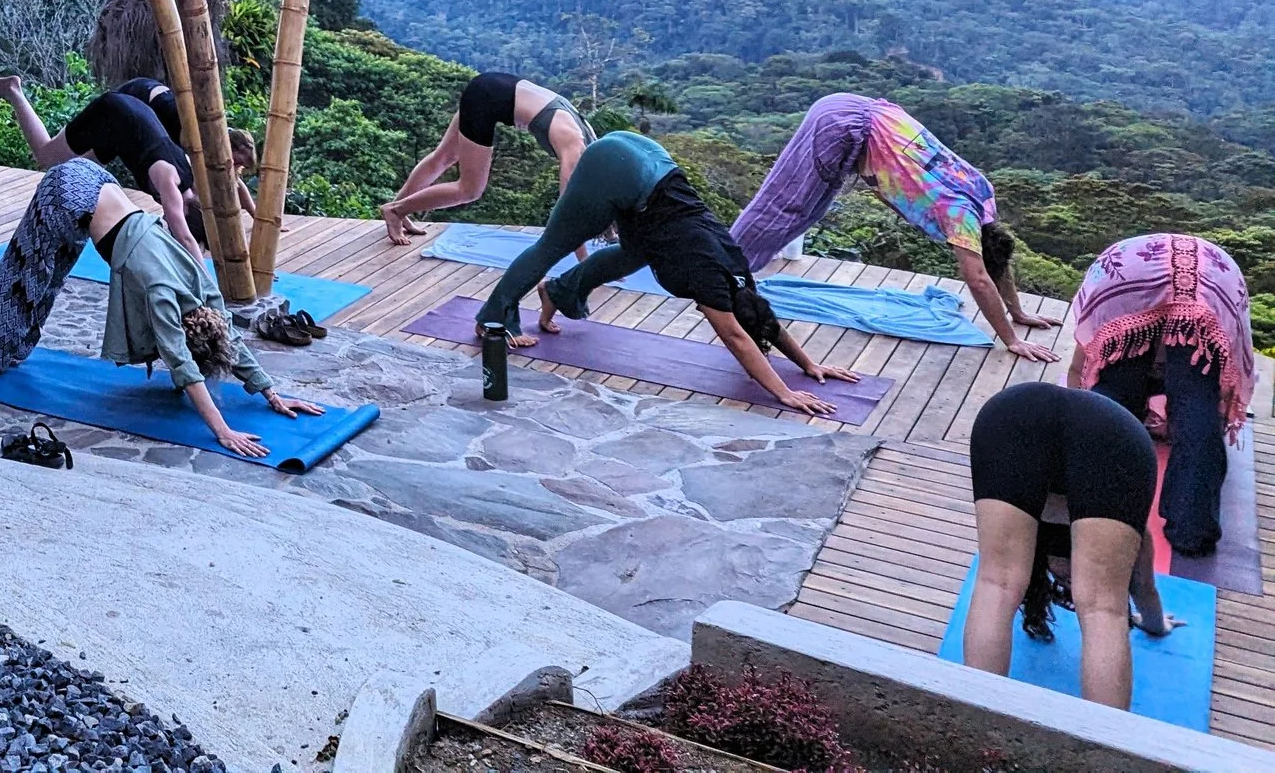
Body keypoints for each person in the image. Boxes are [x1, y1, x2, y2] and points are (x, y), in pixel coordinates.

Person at [0, 156, 324, 459]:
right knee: (24, 276)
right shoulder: (162, 294)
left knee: (47, 281)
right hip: (68, 194)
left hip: (95, 181)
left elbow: (230, 339)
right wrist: (222, 431)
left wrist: (270, 392)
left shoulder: (201, 290)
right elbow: (182, 364)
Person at [476, 130, 866, 418]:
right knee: (552, 245)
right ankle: (492, 317)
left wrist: (810, 365)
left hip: (652, 166)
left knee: (635, 252)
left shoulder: (741, 276)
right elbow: (737, 337)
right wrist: (784, 393)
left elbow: (764, 323)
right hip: (617, 167)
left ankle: (559, 292)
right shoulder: (710, 281)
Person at [729, 94, 1053, 358]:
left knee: (808, 208)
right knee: (787, 205)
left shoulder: (982, 195)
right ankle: (724, 267)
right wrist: (1012, 339)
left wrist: (1018, 312)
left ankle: (730, 262)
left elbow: (996, 264)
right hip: (842, 127)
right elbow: (980, 279)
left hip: (854, 108)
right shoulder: (960, 217)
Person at [964, 382, 1179, 709]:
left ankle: (971, 730)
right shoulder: (1120, 533)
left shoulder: (1037, 532)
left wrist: (1156, 622)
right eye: (1069, 578)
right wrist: (1156, 624)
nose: (1068, 584)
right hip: (1112, 431)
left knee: (998, 583)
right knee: (1103, 607)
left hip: (1015, 412)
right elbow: (1143, 589)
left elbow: (1144, 587)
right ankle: (1105, 748)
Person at [1069, 233, 1257, 556]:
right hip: (1210, 286)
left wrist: (1080, 417)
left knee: (1115, 392)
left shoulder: (1117, 285)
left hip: (1127, 276)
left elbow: (1083, 363)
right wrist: (1199, 415)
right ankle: (1191, 530)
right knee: (1197, 401)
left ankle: (1092, 500)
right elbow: (1221, 389)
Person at [0, 73, 250, 262]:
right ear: (186, 209)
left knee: (77, 171)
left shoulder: (192, 181)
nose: (168, 220)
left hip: (131, 123)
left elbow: (222, 196)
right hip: (114, 114)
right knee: (47, 157)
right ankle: (14, 90)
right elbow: (185, 236)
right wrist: (206, 289)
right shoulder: (172, 183)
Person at [382, 71, 594, 245]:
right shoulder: (575, 153)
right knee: (470, 189)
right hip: (487, 100)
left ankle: (398, 209)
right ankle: (396, 210)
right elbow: (567, 213)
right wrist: (586, 264)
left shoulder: (592, 138)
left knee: (444, 157)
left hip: (491, 85)